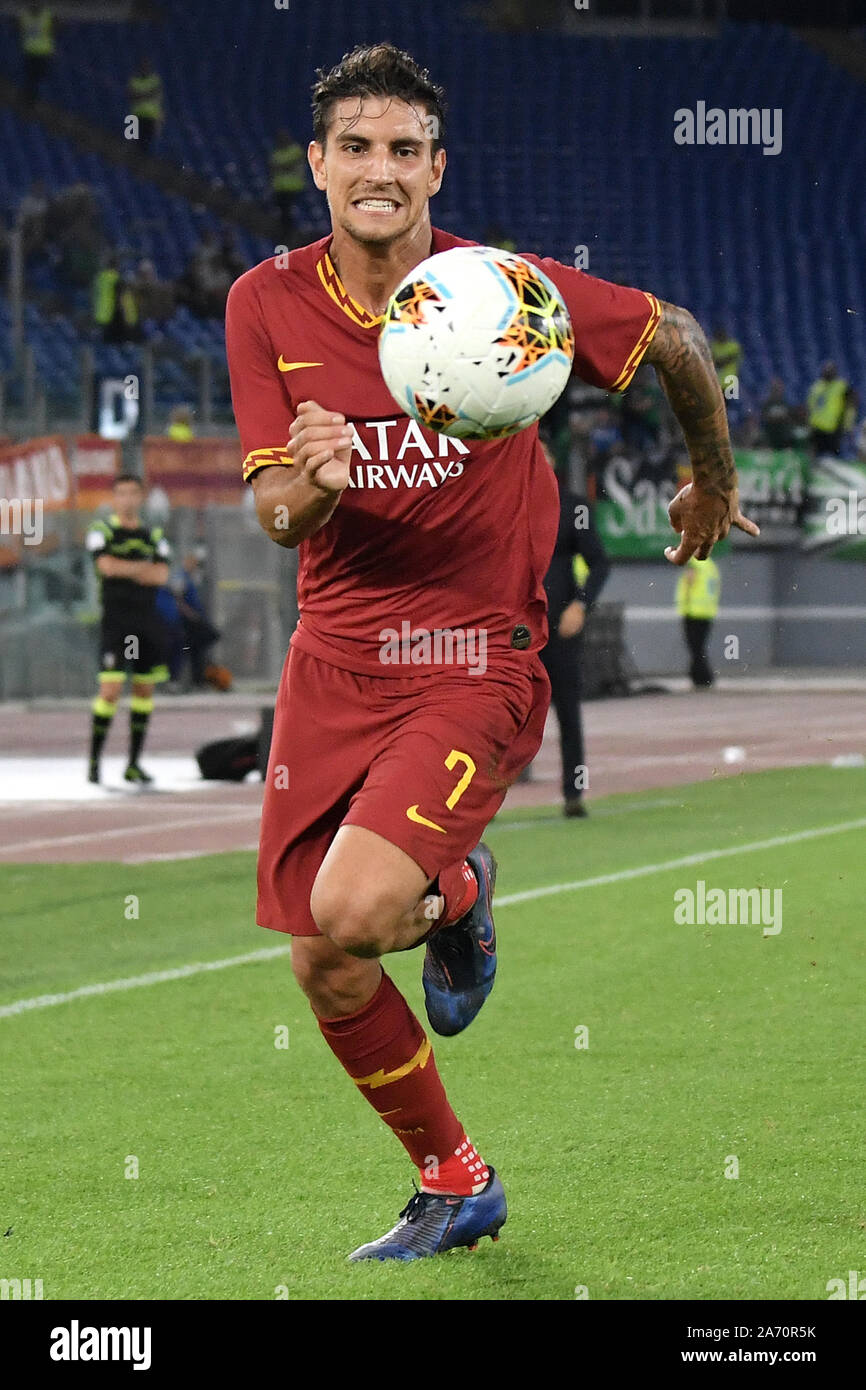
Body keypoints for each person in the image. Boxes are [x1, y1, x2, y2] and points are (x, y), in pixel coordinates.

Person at [224, 42, 757, 1264]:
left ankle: (456, 892)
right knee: (324, 958)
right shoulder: (266, 303)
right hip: (334, 662)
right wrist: (307, 489)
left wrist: (708, 477)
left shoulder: (498, 293)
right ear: (316, 164)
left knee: (355, 909)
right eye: (354, 147)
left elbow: (669, 333)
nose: (378, 170)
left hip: (476, 656)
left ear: (434, 168)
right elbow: (271, 517)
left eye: (402, 150)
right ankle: (454, 1180)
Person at [540, 443, 611, 817]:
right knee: (503, 715)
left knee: (568, 711)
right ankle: (490, 796)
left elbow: (599, 563)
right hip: (516, 632)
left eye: (543, 456)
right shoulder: (505, 504)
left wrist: (581, 605)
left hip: (561, 629)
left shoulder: (575, 508)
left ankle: (574, 792)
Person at [86, 474, 171, 785]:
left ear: (141, 497)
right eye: (121, 494)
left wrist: (125, 569)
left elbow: (161, 575)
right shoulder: (102, 531)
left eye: (133, 493)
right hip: (116, 624)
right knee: (109, 692)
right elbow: (105, 567)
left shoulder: (154, 534)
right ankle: (94, 762)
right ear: (114, 498)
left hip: (145, 624)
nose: (127, 499)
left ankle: (133, 764)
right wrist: (141, 568)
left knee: (143, 691)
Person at [676, 555, 720, 688]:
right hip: (707, 611)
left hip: (693, 611)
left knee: (695, 647)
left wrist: (684, 604)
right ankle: (701, 676)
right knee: (699, 647)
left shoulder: (695, 564)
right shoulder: (710, 565)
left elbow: (690, 581)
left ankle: (701, 677)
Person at [807, 361, 856, 457]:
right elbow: (811, 407)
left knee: (833, 459)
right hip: (816, 427)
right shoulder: (816, 386)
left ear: (835, 372)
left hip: (834, 428)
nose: (828, 372)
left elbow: (851, 405)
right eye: (826, 370)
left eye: (830, 370)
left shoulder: (842, 387)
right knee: (815, 457)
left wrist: (847, 424)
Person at [269, 130, 306, 241]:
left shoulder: (295, 150)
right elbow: (273, 168)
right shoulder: (276, 153)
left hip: (295, 188)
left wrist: (282, 166)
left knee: (290, 214)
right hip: (280, 189)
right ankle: (284, 234)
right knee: (283, 215)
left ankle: (291, 234)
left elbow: (293, 164)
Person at [127, 57, 164, 154]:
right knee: (135, 141)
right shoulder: (134, 81)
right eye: (143, 66)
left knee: (147, 142)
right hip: (136, 116)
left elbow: (155, 94)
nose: (145, 68)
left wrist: (140, 95)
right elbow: (132, 97)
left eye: (146, 66)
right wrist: (146, 95)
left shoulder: (155, 80)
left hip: (151, 117)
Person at [18, 3, 54, 103]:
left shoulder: (47, 16)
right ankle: (29, 99)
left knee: (39, 77)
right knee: (31, 78)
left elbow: (55, 28)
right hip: (30, 52)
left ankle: (34, 99)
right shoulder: (24, 16)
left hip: (43, 52)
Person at [760, 376, 794, 450]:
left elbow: (789, 417)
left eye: (778, 389)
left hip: (783, 437)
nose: (777, 391)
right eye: (775, 389)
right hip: (771, 436)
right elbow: (765, 417)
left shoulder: (785, 403)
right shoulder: (767, 404)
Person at [710, 324, 742, 397]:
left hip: (729, 382)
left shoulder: (733, 346)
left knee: (726, 405)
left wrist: (716, 359)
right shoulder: (714, 345)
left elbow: (723, 362)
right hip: (715, 383)